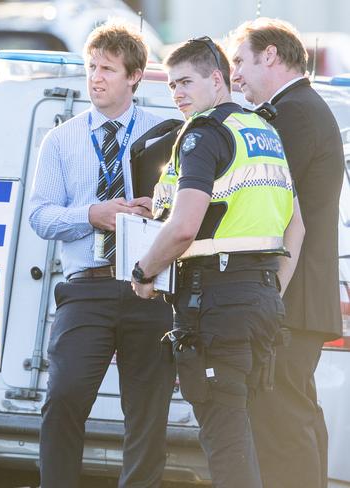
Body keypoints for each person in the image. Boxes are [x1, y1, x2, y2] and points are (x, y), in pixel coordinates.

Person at [132, 37, 305, 488]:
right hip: (259, 299)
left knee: (225, 440)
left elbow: (185, 227)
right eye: (171, 86)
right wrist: (270, 291)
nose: (178, 94)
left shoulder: (204, 133)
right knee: (242, 430)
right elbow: (297, 228)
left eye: (186, 81)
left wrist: (143, 271)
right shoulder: (263, 130)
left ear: (216, 78)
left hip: (218, 303)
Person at [29, 20, 175, 488]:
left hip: (147, 288)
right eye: (91, 67)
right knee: (64, 398)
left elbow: (189, 211)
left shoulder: (167, 134)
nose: (95, 77)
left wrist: (159, 210)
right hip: (85, 289)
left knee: (147, 411)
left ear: (134, 76)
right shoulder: (60, 139)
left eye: (108, 69)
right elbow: (39, 216)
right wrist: (93, 214)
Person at [230, 18, 344, 488]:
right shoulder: (301, 108)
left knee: (280, 424)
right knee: (296, 415)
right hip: (300, 297)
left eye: (240, 61)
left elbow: (265, 201)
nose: (234, 74)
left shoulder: (292, 114)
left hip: (289, 296)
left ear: (271, 55)